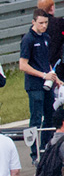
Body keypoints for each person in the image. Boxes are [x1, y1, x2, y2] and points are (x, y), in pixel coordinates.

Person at [20, 8, 62, 160]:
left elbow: (46, 62)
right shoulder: (28, 39)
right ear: (33, 22)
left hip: (47, 83)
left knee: (50, 116)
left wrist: (54, 77)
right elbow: (23, 65)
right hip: (35, 85)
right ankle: (34, 153)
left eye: (46, 23)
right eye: (41, 23)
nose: (44, 26)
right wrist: (43, 75)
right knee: (36, 118)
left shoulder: (46, 37)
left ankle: (46, 147)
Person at [37, 0, 64, 67]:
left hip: (40, 66)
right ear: (52, 8)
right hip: (57, 64)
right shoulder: (59, 23)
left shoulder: (35, 27)